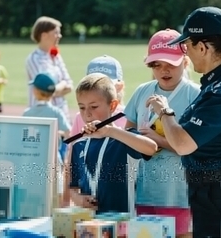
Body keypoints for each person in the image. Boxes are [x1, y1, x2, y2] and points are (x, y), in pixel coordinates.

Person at [146, 6, 221, 237]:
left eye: (186, 45)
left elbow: (183, 144)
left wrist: (165, 112)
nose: (186, 52)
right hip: (217, 195)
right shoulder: (220, 82)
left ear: (203, 47)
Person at [125, 28, 201, 238]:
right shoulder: (142, 91)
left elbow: (195, 146)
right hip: (145, 191)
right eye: (157, 65)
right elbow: (128, 129)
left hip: (180, 192)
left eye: (171, 65)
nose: (163, 71)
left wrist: (158, 140)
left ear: (185, 62)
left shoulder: (194, 94)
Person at [69, 73, 157, 215]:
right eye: (82, 107)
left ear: (113, 105)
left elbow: (151, 148)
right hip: (89, 226)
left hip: (122, 226)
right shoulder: (79, 144)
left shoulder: (123, 139)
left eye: (94, 106)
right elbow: (73, 187)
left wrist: (109, 131)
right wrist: (78, 199)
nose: (87, 114)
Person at [22, 73, 71, 206]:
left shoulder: (27, 113)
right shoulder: (57, 112)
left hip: (32, 160)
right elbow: (69, 134)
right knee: (56, 196)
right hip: (54, 159)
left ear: (36, 91)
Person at [25, 16, 73, 123]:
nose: (59, 36)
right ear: (44, 35)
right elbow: (44, 89)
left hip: (61, 114)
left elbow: (70, 85)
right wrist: (62, 84)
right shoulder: (34, 59)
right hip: (42, 117)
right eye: (56, 33)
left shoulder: (56, 56)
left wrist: (55, 88)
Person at [71, 55, 127, 135]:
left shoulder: (129, 117)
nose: (87, 114)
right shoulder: (80, 117)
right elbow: (72, 146)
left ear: (119, 86)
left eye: (106, 84)